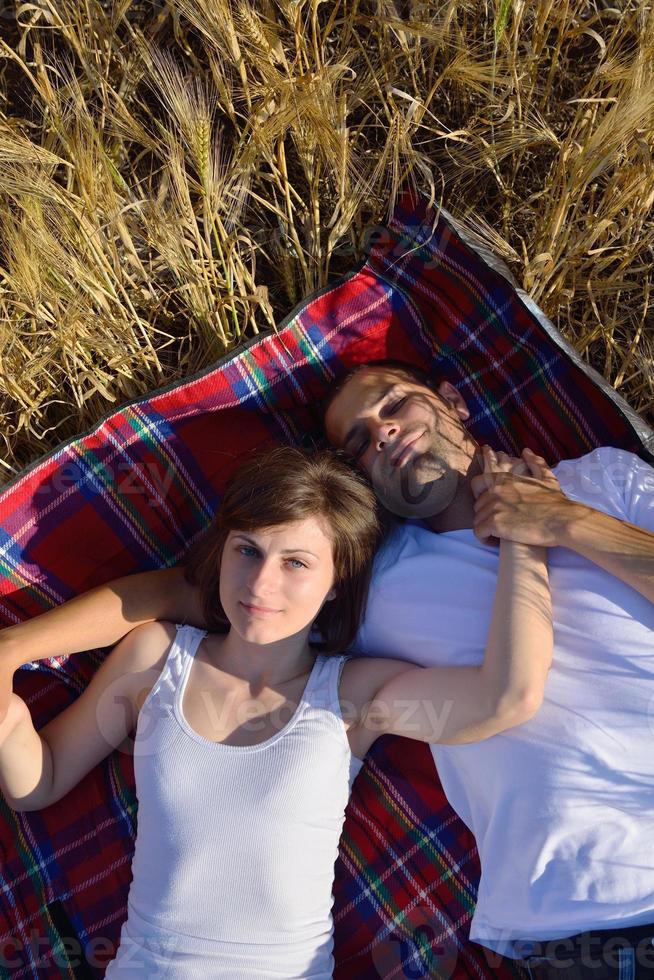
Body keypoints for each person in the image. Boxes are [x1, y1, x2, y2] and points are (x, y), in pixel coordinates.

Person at [2, 358, 652, 977]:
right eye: (362, 442)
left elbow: (511, 690)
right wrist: (12, 651)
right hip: (588, 906)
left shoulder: (603, 480)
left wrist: (564, 521)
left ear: (454, 399)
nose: (386, 432)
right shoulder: (365, 577)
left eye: (396, 405)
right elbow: (190, 592)